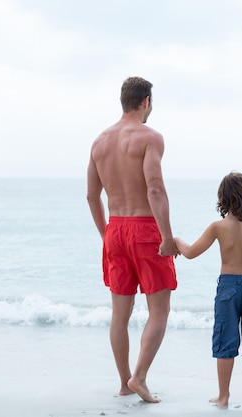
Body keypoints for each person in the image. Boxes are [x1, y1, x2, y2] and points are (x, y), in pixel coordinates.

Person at [86, 76, 178, 403]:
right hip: (144, 228)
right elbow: (154, 188)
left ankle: (124, 384)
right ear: (145, 102)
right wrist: (167, 237)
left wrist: (105, 235)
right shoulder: (150, 138)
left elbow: (91, 196)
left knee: (120, 314)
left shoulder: (99, 142)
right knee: (159, 311)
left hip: (115, 228)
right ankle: (139, 376)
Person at [174, 172, 242, 408]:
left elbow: (190, 253)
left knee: (225, 342)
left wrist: (177, 240)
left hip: (228, 286)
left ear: (224, 199)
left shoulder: (218, 227)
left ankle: (223, 396)